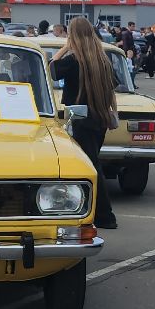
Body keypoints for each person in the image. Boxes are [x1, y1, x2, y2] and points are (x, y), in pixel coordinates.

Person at [50, 16, 119, 230]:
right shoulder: (102, 60)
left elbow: (52, 70)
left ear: (74, 37)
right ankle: (96, 212)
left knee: (89, 167)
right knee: (91, 163)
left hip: (79, 119)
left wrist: (65, 47)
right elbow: (113, 87)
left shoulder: (73, 61)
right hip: (98, 118)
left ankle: (105, 215)